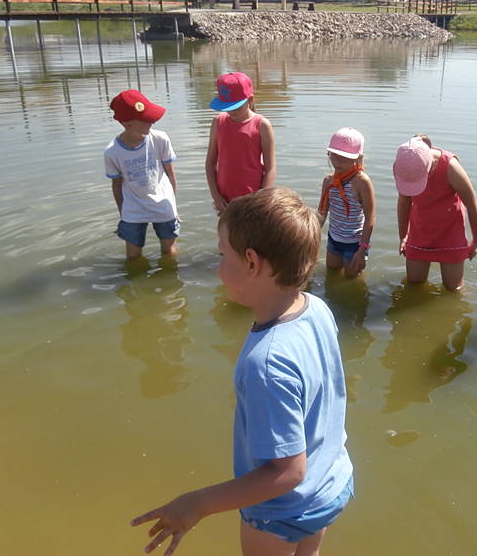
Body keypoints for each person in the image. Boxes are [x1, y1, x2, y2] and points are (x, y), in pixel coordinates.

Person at [131, 187, 353, 556]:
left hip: (281, 512)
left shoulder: (266, 363)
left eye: (223, 256)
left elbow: (288, 472)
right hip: (329, 485)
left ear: (251, 262)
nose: (218, 269)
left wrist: (196, 504)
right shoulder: (316, 308)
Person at [392, 135, 477, 292]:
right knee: (414, 284)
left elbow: (472, 204)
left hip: (450, 231)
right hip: (420, 229)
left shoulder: (450, 167)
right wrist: (403, 235)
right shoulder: (403, 167)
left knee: (454, 289)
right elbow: (404, 202)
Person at [104, 89, 178, 260]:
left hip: (163, 205)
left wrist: (174, 207)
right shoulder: (112, 152)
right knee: (133, 257)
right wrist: (123, 215)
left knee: (169, 253)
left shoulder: (160, 139)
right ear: (128, 124)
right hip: (133, 209)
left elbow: (170, 172)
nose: (152, 121)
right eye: (146, 119)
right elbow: (116, 185)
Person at [205, 72, 276, 214]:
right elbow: (210, 163)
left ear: (250, 99)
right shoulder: (218, 122)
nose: (231, 111)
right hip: (225, 201)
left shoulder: (262, 125)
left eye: (235, 107)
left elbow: (270, 168)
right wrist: (216, 196)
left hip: (253, 201)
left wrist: (260, 201)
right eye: (227, 107)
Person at [318, 127, 376, 278]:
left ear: (357, 158)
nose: (337, 162)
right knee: (331, 273)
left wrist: (362, 249)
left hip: (355, 243)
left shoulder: (361, 182)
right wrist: (311, 235)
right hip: (334, 239)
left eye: (344, 158)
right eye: (334, 156)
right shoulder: (328, 181)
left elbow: (370, 218)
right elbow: (322, 213)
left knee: (351, 279)